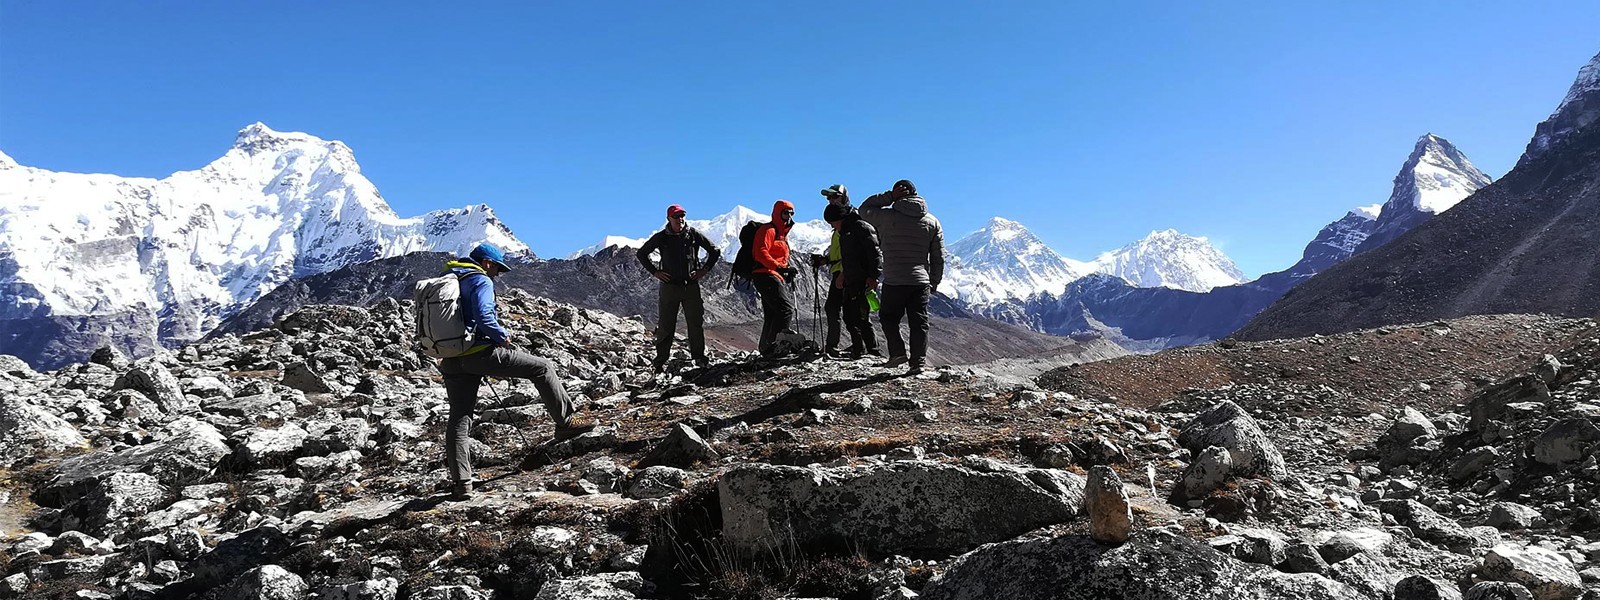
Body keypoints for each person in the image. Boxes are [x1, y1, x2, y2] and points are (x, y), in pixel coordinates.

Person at [435, 242, 595, 499]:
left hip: (451, 358)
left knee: (460, 418)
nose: (497, 274)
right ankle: (565, 422)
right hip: (481, 353)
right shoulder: (480, 280)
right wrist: (501, 337)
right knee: (543, 368)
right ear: (486, 263)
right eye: (497, 268)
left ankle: (462, 483)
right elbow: (485, 315)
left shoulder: (450, 277)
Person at [859, 180, 944, 374]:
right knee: (919, 322)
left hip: (894, 279)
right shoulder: (932, 221)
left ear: (899, 194)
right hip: (920, 280)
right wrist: (935, 281)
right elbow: (938, 257)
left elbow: (864, 210)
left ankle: (897, 353)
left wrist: (889, 196)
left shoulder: (886, 217)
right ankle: (918, 362)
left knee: (889, 318)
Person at [636, 204, 721, 372]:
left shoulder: (693, 234)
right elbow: (641, 253)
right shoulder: (661, 237)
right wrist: (655, 272)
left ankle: (699, 359)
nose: (680, 219)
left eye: (682, 215)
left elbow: (715, 250)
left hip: (691, 286)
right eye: (676, 216)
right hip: (669, 287)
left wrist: (704, 270)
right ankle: (660, 362)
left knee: (695, 323)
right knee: (666, 325)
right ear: (669, 219)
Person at [811, 185, 882, 359]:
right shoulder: (840, 226)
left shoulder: (853, 223)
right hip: (842, 272)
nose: (831, 200)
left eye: (835, 197)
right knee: (848, 312)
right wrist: (826, 260)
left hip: (850, 273)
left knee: (854, 312)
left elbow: (863, 252)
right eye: (829, 198)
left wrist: (847, 272)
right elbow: (841, 252)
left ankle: (866, 348)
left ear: (844, 198)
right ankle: (860, 348)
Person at [751, 200, 800, 356]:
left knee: (772, 314)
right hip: (765, 274)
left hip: (772, 275)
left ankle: (766, 348)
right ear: (778, 213)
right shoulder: (768, 230)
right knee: (785, 309)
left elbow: (778, 258)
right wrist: (778, 267)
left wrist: (785, 270)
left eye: (791, 213)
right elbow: (760, 252)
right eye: (786, 213)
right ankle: (775, 347)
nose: (788, 216)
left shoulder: (782, 235)